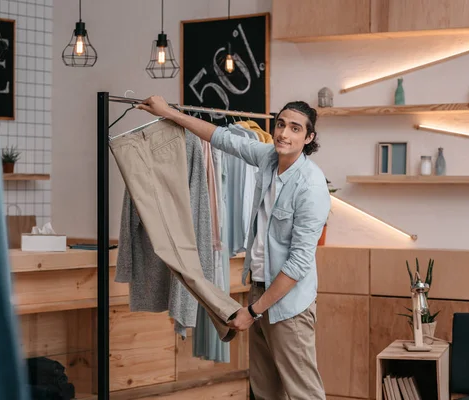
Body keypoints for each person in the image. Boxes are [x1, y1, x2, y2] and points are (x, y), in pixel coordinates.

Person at [136, 96, 331, 400]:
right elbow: (220, 138)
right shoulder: (267, 158)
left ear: (309, 138)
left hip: (289, 304)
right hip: (259, 288)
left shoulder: (311, 186)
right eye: (280, 124)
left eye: (295, 128)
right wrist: (169, 114)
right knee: (265, 390)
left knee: (304, 393)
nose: (283, 133)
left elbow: (297, 265)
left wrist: (253, 311)